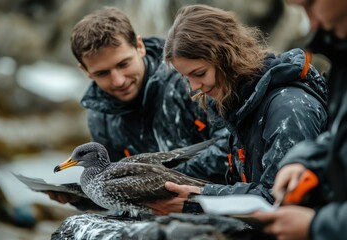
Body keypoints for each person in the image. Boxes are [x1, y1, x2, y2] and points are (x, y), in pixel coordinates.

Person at [146, 4, 328, 215]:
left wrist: (199, 198)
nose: (194, 87)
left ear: (226, 58)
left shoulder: (288, 108)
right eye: (187, 78)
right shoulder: (243, 105)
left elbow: (278, 199)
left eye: (200, 73)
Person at [47, 6, 232, 207]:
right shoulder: (100, 117)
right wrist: (81, 197)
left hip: (223, 202)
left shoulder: (192, 81)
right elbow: (114, 189)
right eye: (102, 73)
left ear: (139, 46)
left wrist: (153, 184)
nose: (118, 81)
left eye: (123, 64)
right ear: (86, 71)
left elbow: (232, 145)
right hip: (161, 215)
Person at [252, 0, 347, 239]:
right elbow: (339, 137)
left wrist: (316, 226)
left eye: (310, 4)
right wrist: (304, 161)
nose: (312, 23)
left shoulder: (288, 104)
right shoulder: (340, 50)